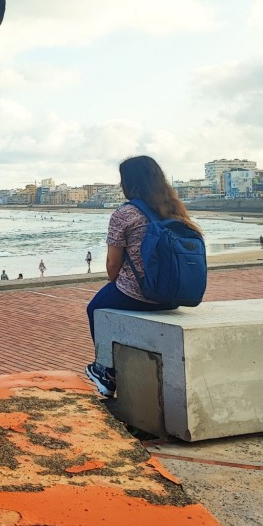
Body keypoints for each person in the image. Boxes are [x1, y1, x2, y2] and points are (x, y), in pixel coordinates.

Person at [84, 155, 203, 398]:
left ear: (130, 183)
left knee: (95, 308)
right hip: (175, 295)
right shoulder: (174, 209)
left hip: (140, 293)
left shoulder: (125, 214)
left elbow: (112, 264)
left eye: (122, 180)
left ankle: (105, 370)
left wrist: (117, 283)